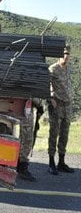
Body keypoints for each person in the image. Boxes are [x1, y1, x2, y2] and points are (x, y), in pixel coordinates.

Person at [47, 46, 74, 175]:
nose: (66, 56)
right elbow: (46, 85)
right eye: (64, 53)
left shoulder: (68, 68)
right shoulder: (53, 69)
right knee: (54, 133)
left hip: (67, 105)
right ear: (59, 55)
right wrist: (51, 98)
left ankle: (61, 162)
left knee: (65, 134)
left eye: (68, 53)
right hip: (57, 105)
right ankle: (51, 162)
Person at [17, 98, 44, 181]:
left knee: (24, 137)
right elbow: (31, 94)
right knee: (26, 138)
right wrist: (39, 105)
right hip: (25, 105)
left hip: (21, 103)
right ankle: (22, 167)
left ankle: (19, 164)